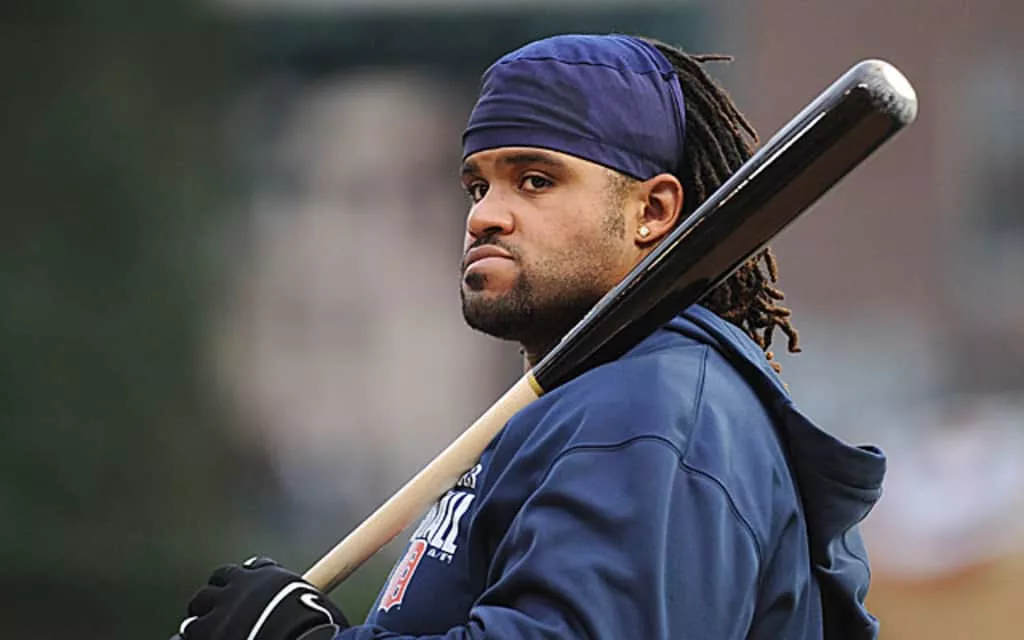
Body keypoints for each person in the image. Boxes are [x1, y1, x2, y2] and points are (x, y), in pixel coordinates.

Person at [173, 34, 887, 640]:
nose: (485, 216)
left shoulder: (649, 409)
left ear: (652, 211)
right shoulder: (582, 406)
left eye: (536, 180)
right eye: (477, 186)